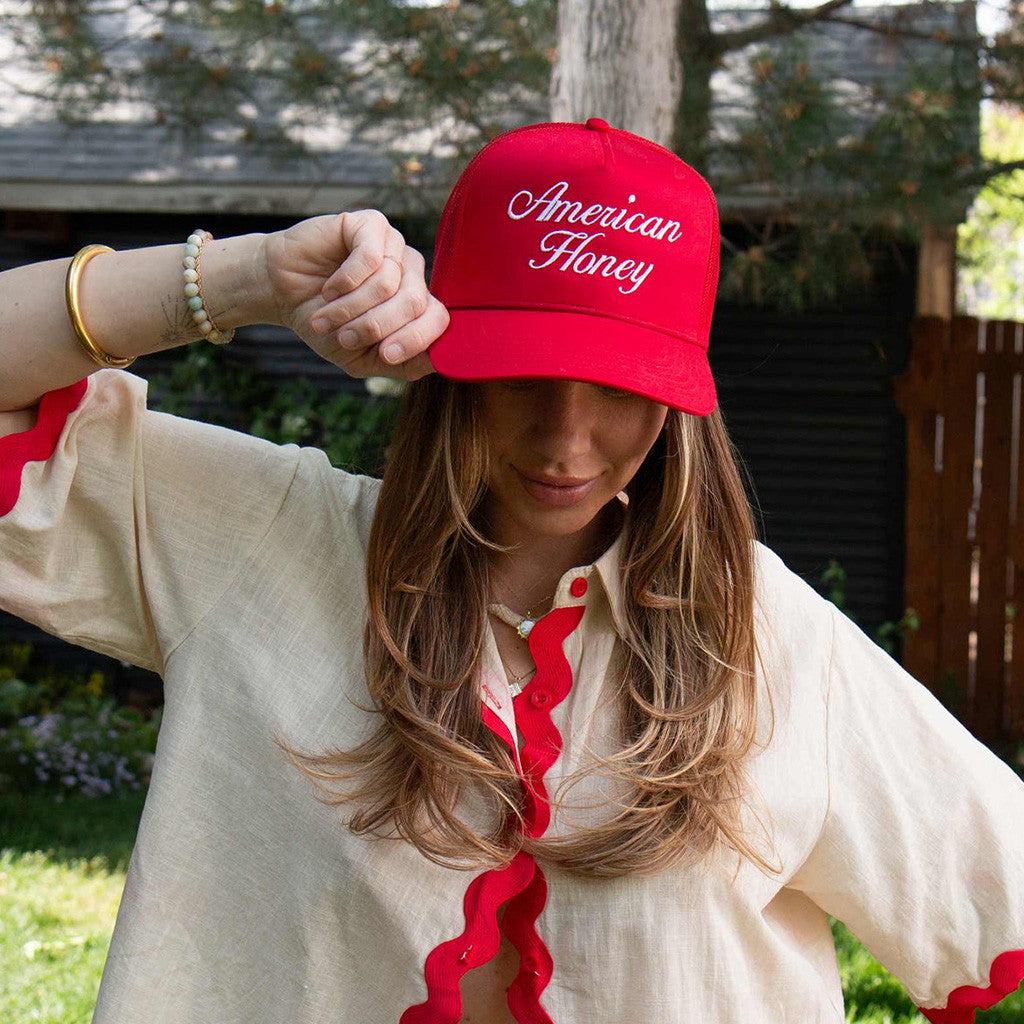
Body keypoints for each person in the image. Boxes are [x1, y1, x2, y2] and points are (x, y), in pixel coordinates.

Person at [0, 118, 1022, 1024]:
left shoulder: (773, 644)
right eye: (523, 371)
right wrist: (250, 277)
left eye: (618, 386)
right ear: (448, 362)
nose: (565, 439)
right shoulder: (258, 540)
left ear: (677, 398)